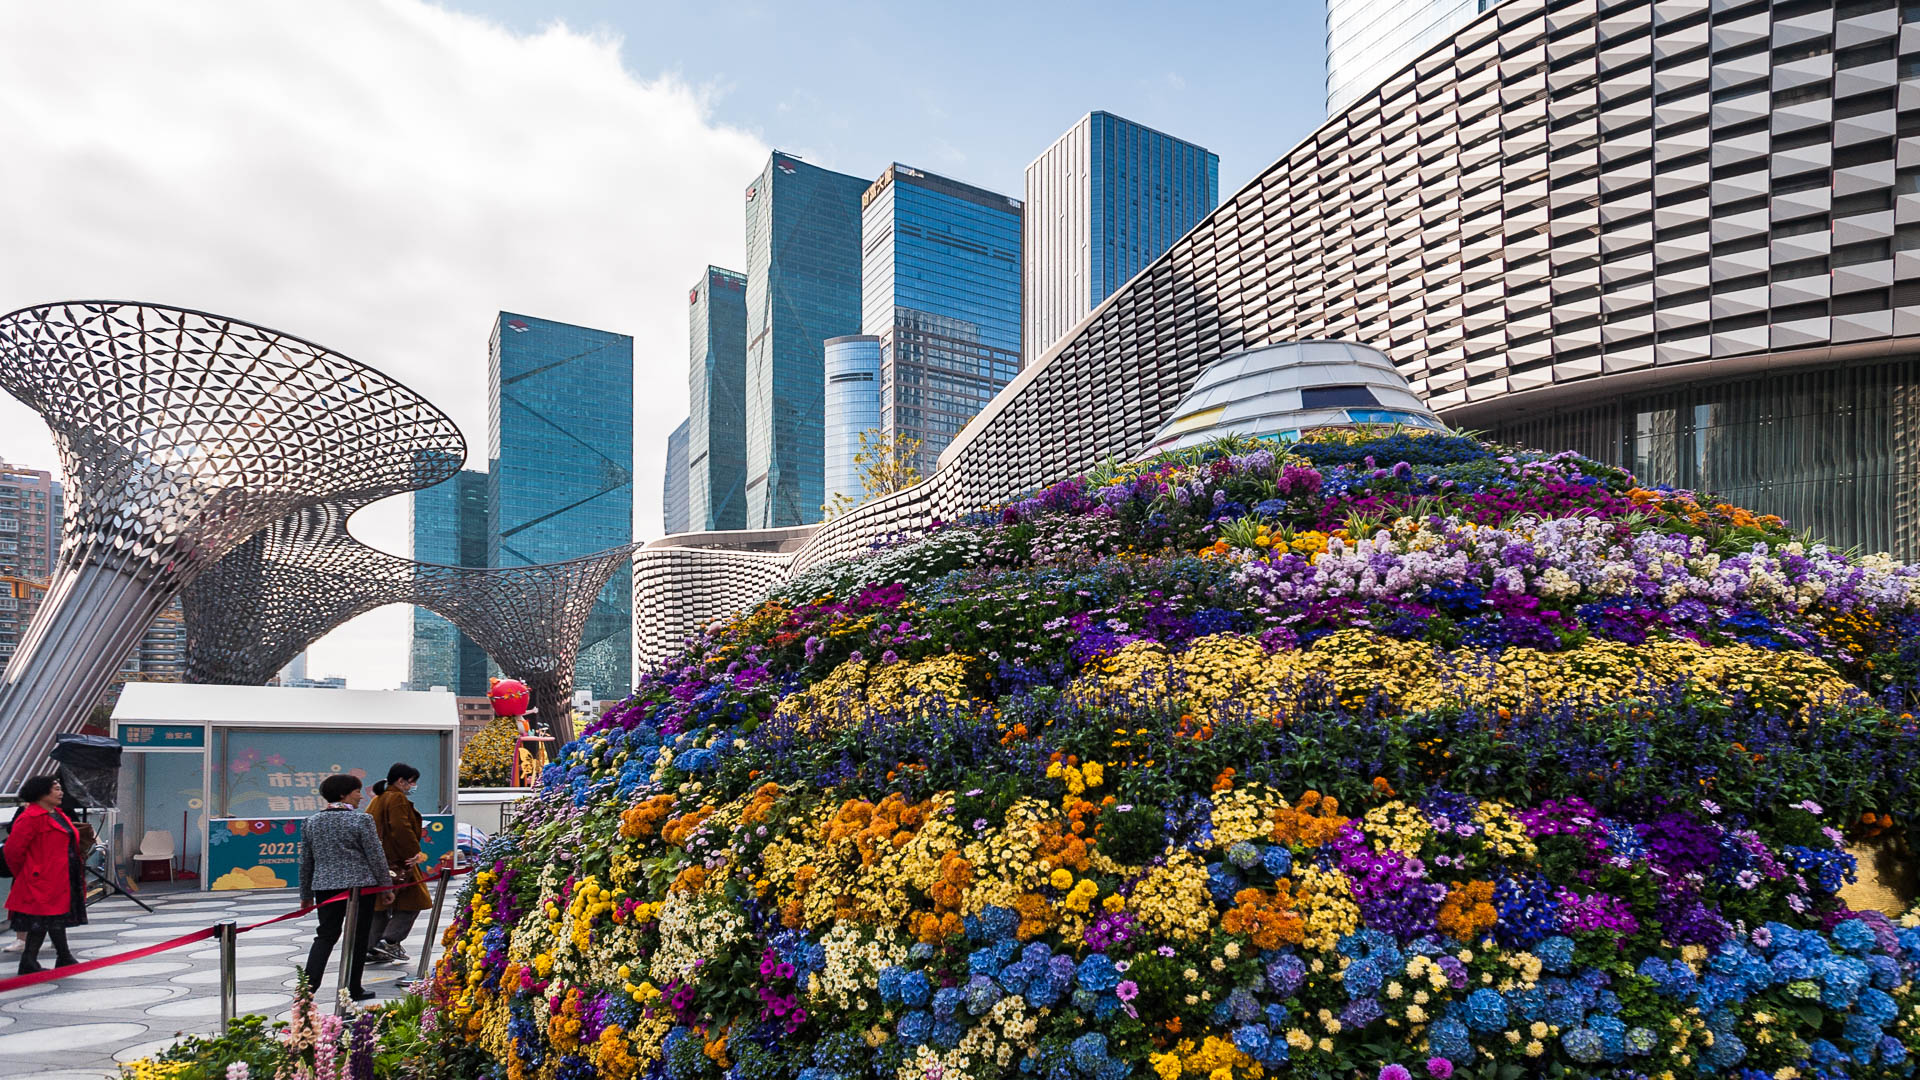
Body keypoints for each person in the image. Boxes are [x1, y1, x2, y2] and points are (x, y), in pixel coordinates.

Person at [299, 773, 389, 1001]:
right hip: (361, 888)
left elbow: (306, 861)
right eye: (357, 791)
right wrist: (386, 886)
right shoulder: (361, 820)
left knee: (326, 935)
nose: (361, 796)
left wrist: (306, 894)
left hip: (325, 888)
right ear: (343, 794)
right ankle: (353, 987)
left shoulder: (311, 822)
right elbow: (376, 856)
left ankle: (307, 989)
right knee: (358, 937)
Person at [3, 775, 85, 974]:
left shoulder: (57, 813)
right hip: (42, 878)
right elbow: (12, 851)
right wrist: (30, 872)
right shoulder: (30, 817)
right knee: (45, 919)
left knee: (53, 919)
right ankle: (36, 960)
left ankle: (58, 957)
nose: (60, 792)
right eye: (55, 789)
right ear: (42, 793)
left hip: (60, 876)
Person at [363, 764, 430, 963]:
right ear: (401, 781)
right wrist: (413, 853)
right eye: (412, 781)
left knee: (380, 905)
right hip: (399, 861)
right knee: (416, 899)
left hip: (379, 860)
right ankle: (389, 941)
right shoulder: (397, 798)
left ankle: (370, 947)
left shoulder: (379, 798)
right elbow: (401, 828)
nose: (413, 785)